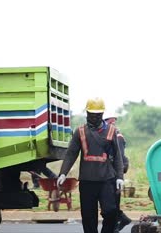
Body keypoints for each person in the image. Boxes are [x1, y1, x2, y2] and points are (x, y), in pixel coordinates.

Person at [57, 98, 124, 233]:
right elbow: (71, 154)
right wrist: (63, 173)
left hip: (107, 180)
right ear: (87, 113)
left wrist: (120, 177)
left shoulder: (111, 131)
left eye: (97, 114)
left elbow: (118, 156)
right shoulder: (80, 131)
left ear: (102, 114)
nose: (94, 117)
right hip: (87, 181)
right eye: (91, 114)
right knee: (88, 216)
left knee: (110, 211)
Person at [103, 113, 132, 233]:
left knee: (112, 203)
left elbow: (117, 157)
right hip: (109, 173)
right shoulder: (112, 134)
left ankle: (118, 223)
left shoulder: (117, 136)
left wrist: (116, 176)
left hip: (114, 174)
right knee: (111, 203)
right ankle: (116, 223)